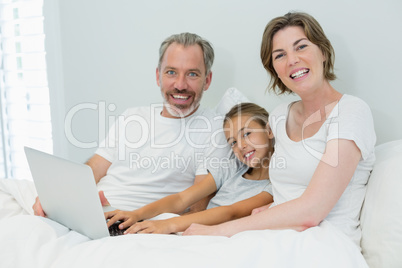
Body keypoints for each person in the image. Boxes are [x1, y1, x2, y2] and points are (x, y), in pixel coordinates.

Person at [183, 12, 376, 248]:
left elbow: (312, 209)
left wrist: (221, 231)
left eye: (301, 47)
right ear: (275, 69)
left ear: (323, 52)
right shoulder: (279, 116)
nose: (292, 60)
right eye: (280, 55)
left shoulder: (351, 111)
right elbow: (284, 187)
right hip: (275, 235)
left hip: (324, 243)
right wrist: (269, 209)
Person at [32, 32, 230, 216]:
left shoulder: (215, 129)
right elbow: (95, 167)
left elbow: (197, 208)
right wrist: (59, 195)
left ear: (207, 80)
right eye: (171, 72)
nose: (180, 84)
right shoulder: (133, 116)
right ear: (157, 76)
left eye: (192, 74)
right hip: (92, 211)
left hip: (136, 224)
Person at [104, 102, 274, 234]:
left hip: (210, 234)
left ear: (269, 130)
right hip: (190, 228)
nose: (241, 145)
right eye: (233, 142)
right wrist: (138, 214)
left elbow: (231, 212)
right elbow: (181, 199)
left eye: (247, 134)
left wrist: (167, 225)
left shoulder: (275, 185)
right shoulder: (232, 168)